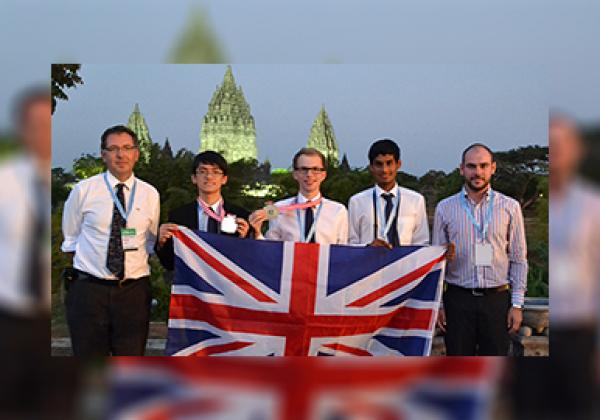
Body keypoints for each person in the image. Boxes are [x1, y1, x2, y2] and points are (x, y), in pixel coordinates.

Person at [61, 125, 160, 356]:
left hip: (133, 293)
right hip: (89, 291)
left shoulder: (150, 194)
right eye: (113, 148)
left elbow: (150, 240)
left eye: (127, 148)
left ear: (137, 153)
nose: (121, 155)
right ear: (103, 154)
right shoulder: (83, 191)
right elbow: (71, 239)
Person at [432, 143, 527, 355]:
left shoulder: (510, 207)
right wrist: (438, 305)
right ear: (461, 169)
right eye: (471, 166)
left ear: (493, 167)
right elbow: (435, 263)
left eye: (483, 166)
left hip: (496, 300)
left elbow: (519, 258)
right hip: (458, 300)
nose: (478, 172)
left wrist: (517, 304)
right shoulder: (444, 208)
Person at [155, 151, 251, 270]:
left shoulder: (240, 216)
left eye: (215, 172)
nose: (209, 176)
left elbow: (247, 261)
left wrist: (245, 240)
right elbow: (169, 264)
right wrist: (161, 242)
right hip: (194, 284)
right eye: (203, 171)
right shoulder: (179, 216)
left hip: (227, 285)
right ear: (194, 178)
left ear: (224, 179)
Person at [249, 147, 348, 244]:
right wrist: (257, 232)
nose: (309, 174)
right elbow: (270, 250)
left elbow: (343, 252)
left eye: (315, 169)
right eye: (304, 169)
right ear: (295, 174)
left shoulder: (338, 211)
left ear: (323, 175)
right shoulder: (278, 209)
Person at [348, 139, 429, 248]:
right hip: (369, 263)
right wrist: (368, 248)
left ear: (398, 164)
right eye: (379, 164)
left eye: (389, 163)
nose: (384, 170)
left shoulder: (415, 200)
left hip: (405, 264)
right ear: (371, 167)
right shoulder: (357, 202)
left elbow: (422, 244)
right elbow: (350, 245)